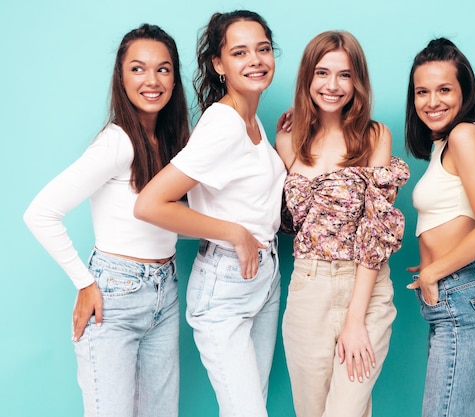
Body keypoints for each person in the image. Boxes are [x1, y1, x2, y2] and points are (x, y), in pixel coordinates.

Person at [23, 24, 189, 417]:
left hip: (165, 292)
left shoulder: (170, 141)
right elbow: (40, 213)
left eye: (163, 69)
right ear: (121, 77)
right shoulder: (117, 142)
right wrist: (84, 281)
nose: (152, 80)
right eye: (138, 69)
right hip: (116, 295)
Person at [134, 10, 285, 417]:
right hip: (227, 284)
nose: (255, 60)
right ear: (219, 64)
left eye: (263, 49)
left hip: (263, 277)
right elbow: (150, 203)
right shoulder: (223, 124)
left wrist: (281, 149)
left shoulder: (250, 119)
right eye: (239, 52)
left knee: (250, 407)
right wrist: (234, 233)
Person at [275, 30, 410, 417]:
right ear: (307, 78)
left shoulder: (374, 137)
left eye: (345, 75)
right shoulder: (288, 142)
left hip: (365, 290)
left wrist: (355, 319)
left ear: (358, 82)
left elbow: (376, 231)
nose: (332, 85)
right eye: (322, 73)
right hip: (308, 289)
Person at [404, 37, 475, 417]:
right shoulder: (443, 143)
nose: (433, 102)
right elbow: (453, 215)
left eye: (445, 89)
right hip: (450, 298)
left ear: (465, 91)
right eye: (422, 92)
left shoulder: (464, 135)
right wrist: (430, 262)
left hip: (461, 298)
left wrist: (435, 268)